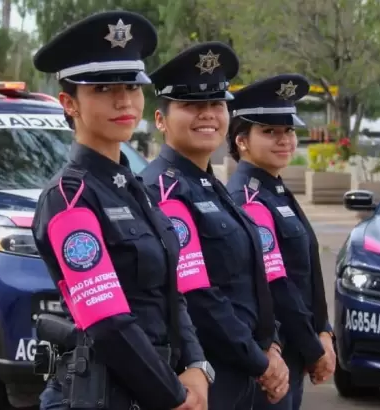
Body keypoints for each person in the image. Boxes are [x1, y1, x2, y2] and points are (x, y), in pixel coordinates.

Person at [31, 11, 209, 410]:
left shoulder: (134, 187)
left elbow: (171, 292)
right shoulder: (68, 198)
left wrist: (197, 365)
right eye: (103, 88)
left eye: (132, 85)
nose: (123, 100)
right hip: (101, 395)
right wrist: (174, 396)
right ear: (69, 103)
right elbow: (107, 322)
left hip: (156, 390)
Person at [139, 42, 290, 410]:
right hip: (208, 374)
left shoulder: (211, 184)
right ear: (160, 120)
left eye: (216, 103)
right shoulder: (163, 190)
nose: (207, 114)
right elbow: (198, 296)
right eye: (191, 105)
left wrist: (271, 344)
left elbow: (252, 282)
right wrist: (259, 360)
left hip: (246, 368)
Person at [226, 74, 337, 410]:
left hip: (297, 348)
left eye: (288, 130)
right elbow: (277, 285)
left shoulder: (275, 190)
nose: (284, 139)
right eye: (269, 131)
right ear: (242, 141)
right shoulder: (248, 198)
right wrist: (314, 348)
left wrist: (324, 331)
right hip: (276, 354)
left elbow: (308, 274)